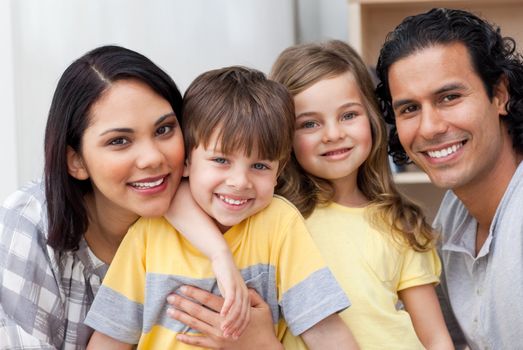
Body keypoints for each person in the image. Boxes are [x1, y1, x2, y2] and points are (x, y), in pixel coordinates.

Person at [84, 66, 358, 350]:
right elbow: (110, 339)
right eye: (221, 160)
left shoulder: (279, 223)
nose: (240, 182)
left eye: (260, 166)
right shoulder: (149, 231)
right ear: (186, 160)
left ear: (279, 172)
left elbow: (326, 332)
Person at [0, 45, 249, 349]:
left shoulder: (225, 210)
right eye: (119, 141)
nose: (152, 158)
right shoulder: (29, 225)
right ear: (75, 161)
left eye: (164, 129)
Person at [269, 40, 453, 349]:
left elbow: (434, 337)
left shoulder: (400, 222)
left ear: (371, 117)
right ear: (284, 135)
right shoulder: (276, 219)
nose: (333, 134)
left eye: (348, 115)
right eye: (310, 123)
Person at [375, 7, 523, 349]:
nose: (429, 127)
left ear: (499, 94)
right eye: (410, 108)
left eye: (449, 97)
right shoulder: (453, 214)